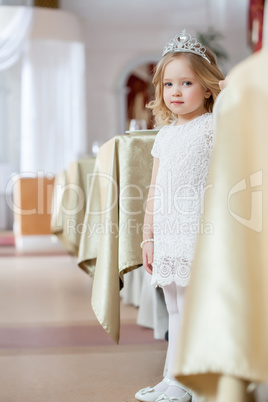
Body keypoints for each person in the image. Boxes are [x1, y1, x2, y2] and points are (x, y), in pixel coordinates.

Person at [135, 30, 224, 402]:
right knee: (173, 306)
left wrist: (228, 87)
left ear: (206, 88)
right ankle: (172, 376)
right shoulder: (166, 134)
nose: (176, 91)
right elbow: (154, 189)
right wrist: (148, 236)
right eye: (169, 83)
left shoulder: (213, 127)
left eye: (187, 82)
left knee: (189, 306)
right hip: (168, 229)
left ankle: (189, 381)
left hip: (195, 227)